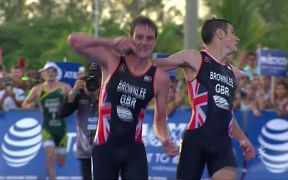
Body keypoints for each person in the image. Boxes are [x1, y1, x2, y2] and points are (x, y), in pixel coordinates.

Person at [117, 17, 256, 179]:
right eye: (232, 33)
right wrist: (122, 64)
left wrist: (243, 139)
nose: (236, 38)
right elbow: (156, 65)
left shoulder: (234, 73)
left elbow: (226, 113)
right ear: (219, 34)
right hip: (196, 140)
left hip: (222, 144)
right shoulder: (194, 58)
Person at [67, 16, 179, 179]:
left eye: (149, 38)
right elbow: (74, 40)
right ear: (130, 38)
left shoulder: (159, 77)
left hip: (134, 150)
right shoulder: (112, 61)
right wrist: (111, 43)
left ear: (155, 42)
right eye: (139, 37)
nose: (144, 43)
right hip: (104, 148)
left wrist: (165, 140)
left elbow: (160, 119)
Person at [22, 62, 72, 180]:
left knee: (60, 161)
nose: (50, 74)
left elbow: (74, 101)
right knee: (50, 156)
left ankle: (50, 171)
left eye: (53, 71)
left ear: (56, 73)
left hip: (61, 129)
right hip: (47, 128)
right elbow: (25, 103)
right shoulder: (38, 89)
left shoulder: (64, 87)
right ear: (43, 74)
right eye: (47, 71)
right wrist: (28, 106)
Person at [61, 62, 101, 180]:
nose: (93, 82)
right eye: (90, 78)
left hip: (104, 146)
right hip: (85, 148)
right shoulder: (80, 94)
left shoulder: (108, 90)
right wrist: (74, 91)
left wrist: (97, 94)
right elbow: (63, 113)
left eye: (97, 78)